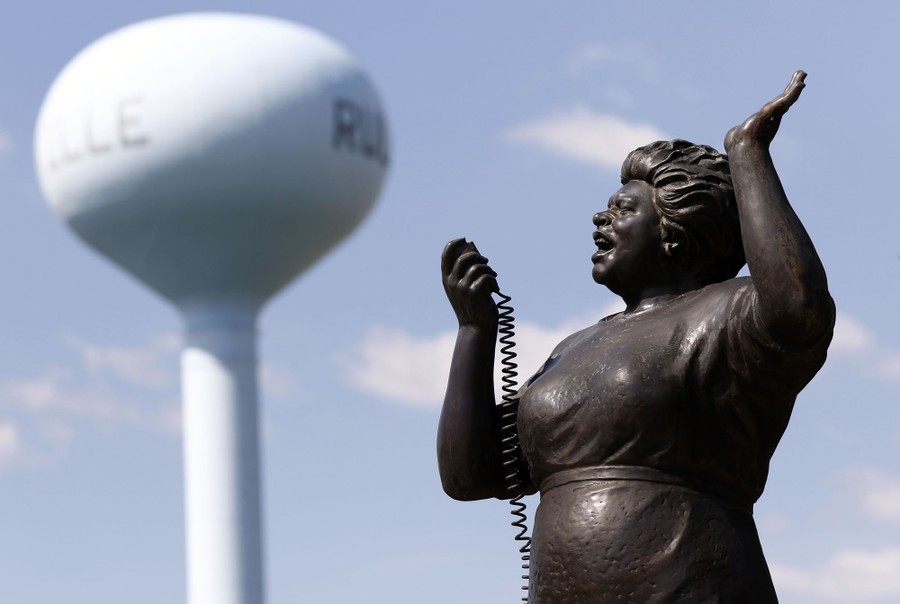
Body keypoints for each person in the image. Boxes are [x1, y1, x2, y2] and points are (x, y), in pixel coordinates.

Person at [438, 71, 834, 602]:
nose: (602, 217)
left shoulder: (727, 311)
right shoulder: (571, 348)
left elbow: (797, 308)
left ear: (677, 231)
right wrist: (474, 331)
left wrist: (747, 155)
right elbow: (469, 476)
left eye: (624, 208)